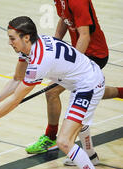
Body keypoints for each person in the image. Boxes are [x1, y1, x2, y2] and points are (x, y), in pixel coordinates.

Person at [0, 16, 113, 169]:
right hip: (81, 81)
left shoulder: (40, 60)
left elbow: (16, 99)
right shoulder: (31, 48)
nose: (9, 42)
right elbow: (17, 79)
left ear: (26, 37)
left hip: (88, 85)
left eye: (12, 38)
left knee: (64, 141)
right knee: (77, 126)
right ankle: (90, 156)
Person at [16, 0, 123, 157]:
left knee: (52, 92)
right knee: (93, 90)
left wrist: (73, 67)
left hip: (94, 53)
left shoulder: (77, 1)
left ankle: (50, 138)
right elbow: (64, 19)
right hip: (81, 53)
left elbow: (85, 36)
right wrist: (55, 41)